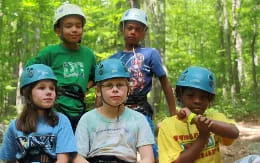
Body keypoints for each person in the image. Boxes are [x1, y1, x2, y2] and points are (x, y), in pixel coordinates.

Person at [109, 7, 176, 159]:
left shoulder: (150, 54)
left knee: (151, 151)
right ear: (122, 29)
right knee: (118, 152)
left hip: (142, 111)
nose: (133, 32)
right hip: (117, 112)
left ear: (144, 32)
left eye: (138, 29)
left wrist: (173, 114)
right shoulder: (113, 59)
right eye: (129, 28)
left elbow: (165, 83)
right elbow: (103, 88)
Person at [26, 2, 96, 132]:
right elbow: (30, 70)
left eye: (78, 26)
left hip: (78, 109)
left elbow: (95, 77)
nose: (74, 29)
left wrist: (84, 88)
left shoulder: (88, 55)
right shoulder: (50, 52)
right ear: (58, 30)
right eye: (68, 26)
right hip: (54, 109)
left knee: (76, 147)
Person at [74, 59, 155, 163]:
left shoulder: (138, 119)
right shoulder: (87, 119)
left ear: (128, 89)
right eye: (109, 85)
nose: (115, 89)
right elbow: (77, 157)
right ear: (98, 91)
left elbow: (148, 158)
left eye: (120, 85)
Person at [158, 66, 240, 163]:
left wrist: (197, 119)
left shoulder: (213, 117)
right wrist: (203, 136)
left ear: (209, 99)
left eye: (203, 97)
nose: (197, 101)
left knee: (254, 159)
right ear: (180, 95)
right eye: (190, 95)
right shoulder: (168, 125)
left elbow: (234, 132)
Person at [0, 64, 77, 162]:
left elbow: (63, 160)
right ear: (28, 93)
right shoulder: (15, 126)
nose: (49, 92)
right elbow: (9, 159)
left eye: (52, 88)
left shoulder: (61, 121)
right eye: (41, 88)